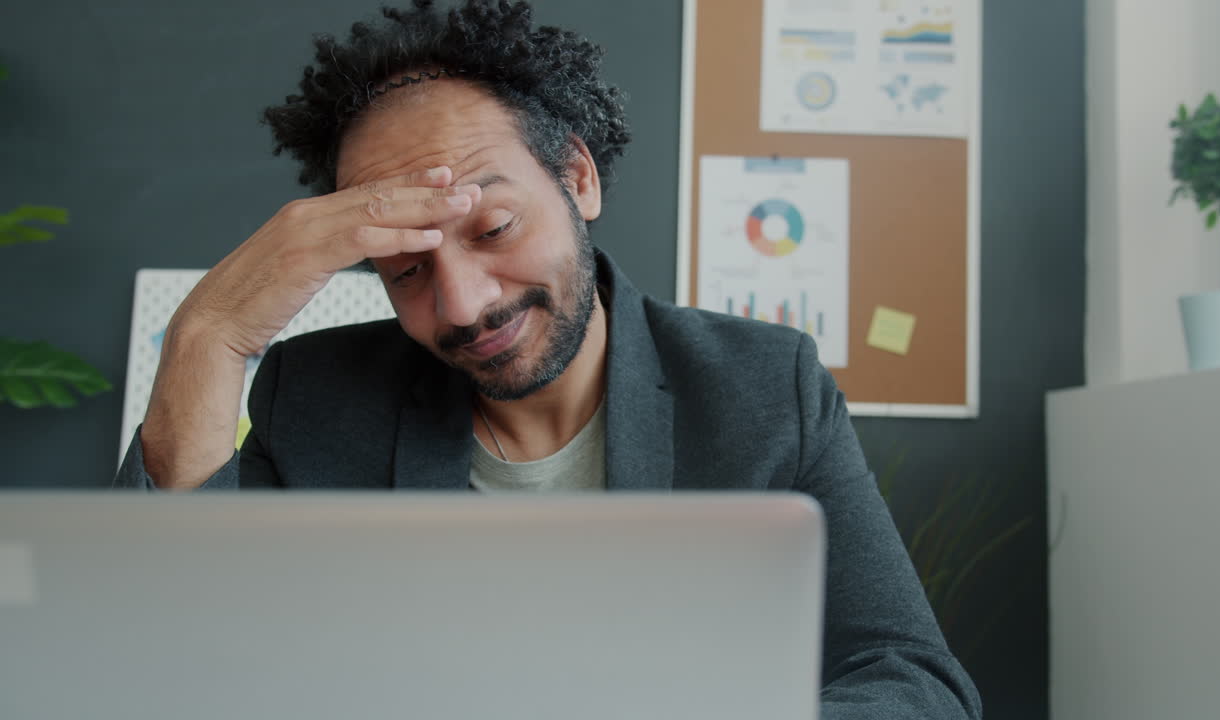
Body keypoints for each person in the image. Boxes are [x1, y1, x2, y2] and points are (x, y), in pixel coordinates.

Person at [114, 1, 982, 716]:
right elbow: (165, 656)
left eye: (493, 229)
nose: (463, 303)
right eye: (406, 270)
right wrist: (209, 336)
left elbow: (911, 681)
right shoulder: (315, 396)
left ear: (578, 179)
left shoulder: (761, 387)